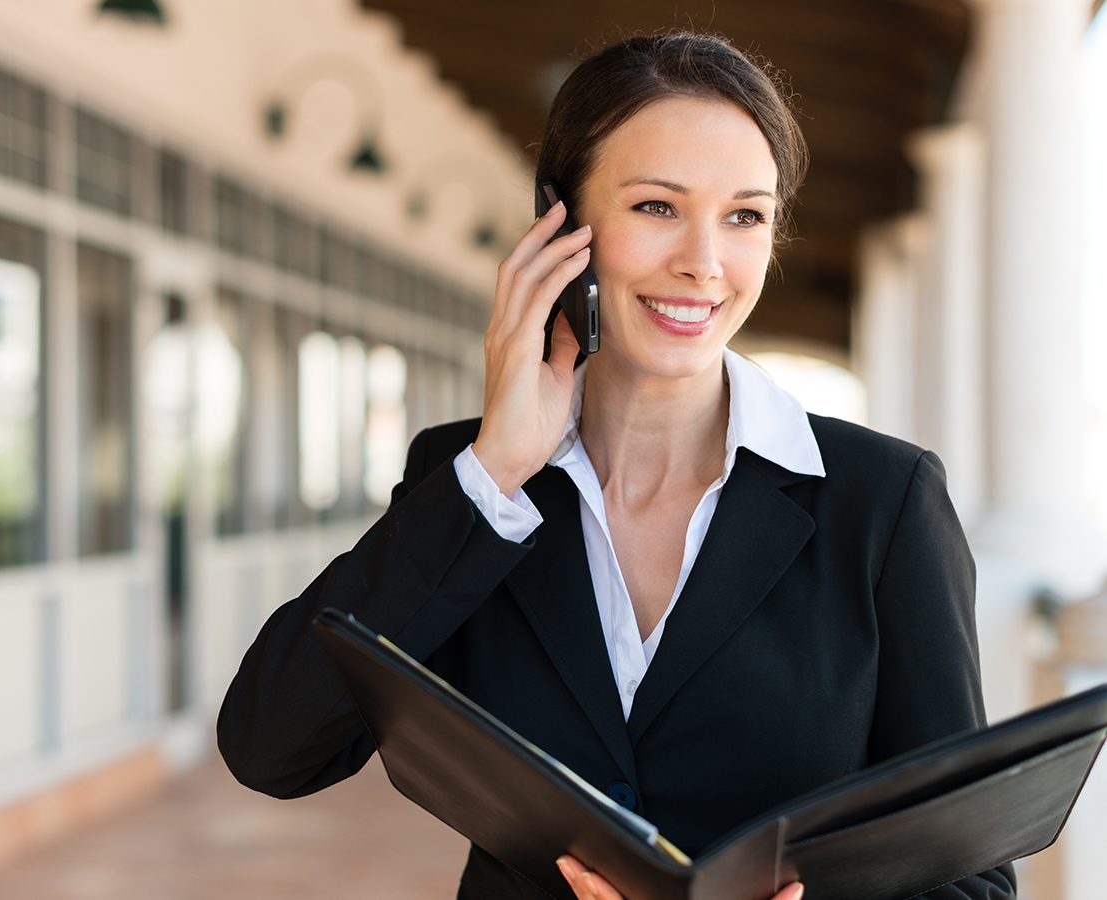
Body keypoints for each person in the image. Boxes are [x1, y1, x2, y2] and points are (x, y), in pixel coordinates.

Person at [217, 31, 1018, 899]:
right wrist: (492, 473)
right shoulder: (470, 484)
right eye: (656, 207)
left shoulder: (883, 502)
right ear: (560, 225)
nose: (704, 263)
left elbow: (972, 877)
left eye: (744, 215)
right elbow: (272, 748)